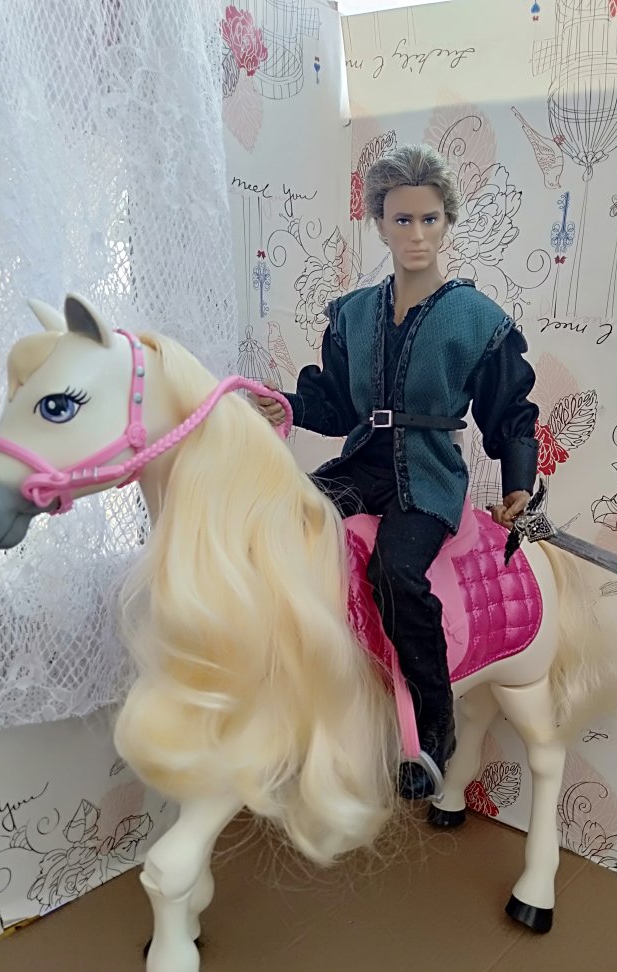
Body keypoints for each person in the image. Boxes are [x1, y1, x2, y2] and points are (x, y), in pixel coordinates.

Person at [258, 143, 539, 800]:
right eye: (402, 219)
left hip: (429, 475)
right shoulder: (352, 313)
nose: (416, 234)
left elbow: (510, 410)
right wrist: (287, 405)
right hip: (364, 461)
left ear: (448, 222)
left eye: (430, 219)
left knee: (395, 571)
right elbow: (335, 403)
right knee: (282, 522)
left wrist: (518, 483)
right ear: (379, 224)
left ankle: (434, 726)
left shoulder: (478, 319)